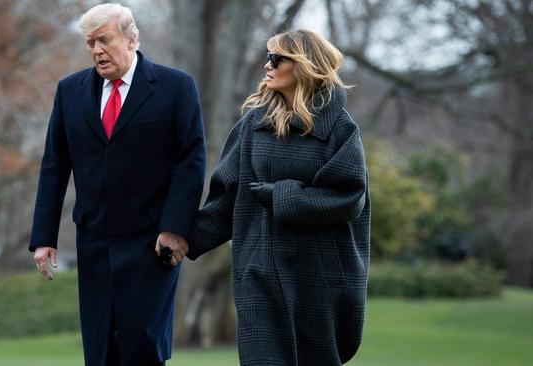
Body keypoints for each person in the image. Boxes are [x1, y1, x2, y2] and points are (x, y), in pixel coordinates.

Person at [28, 3, 205, 366]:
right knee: (100, 350)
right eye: (90, 43)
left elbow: (190, 162)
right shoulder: (69, 91)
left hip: (153, 244)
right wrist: (44, 237)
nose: (97, 51)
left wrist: (175, 229)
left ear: (132, 39)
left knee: (142, 346)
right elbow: (54, 166)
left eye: (104, 40)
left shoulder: (175, 87)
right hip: (94, 243)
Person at [186, 29, 371, 365]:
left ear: (304, 65)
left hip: (318, 276)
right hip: (258, 270)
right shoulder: (253, 124)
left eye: (276, 58)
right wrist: (185, 239)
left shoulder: (340, 129)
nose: (267, 65)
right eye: (267, 56)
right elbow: (226, 199)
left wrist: (284, 196)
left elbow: (349, 197)